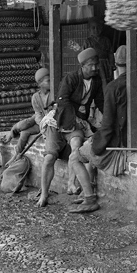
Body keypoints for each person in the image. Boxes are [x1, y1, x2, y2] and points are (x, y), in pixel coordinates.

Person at [78, 45, 137, 184]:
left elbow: (107, 126)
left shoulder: (112, 87)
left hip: (122, 143)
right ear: (135, 62)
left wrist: (97, 145)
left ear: (115, 64)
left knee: (78, 155)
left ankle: (88, 194)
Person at [40, 48, 104, 212]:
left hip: (77, 122)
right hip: (60, 119)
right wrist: (73, 119)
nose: (95, 68)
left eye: (96, 64)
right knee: (49, 157)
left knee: (77, 147)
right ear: (83, 66)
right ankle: (44, 195)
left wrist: (107, 119)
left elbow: (101, 102)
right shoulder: (71, 79)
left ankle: (72, 185)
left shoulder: (96, 81)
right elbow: (62, 101)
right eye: (92, 65)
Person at [84, 18, 114, 85]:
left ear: (101, 28)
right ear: (89, 30)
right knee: (93, 83)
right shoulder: (87, 41)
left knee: (105, 83)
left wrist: (112, 64)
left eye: (98, 27)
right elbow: (84, 56)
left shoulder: (106, 40)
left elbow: (110, 53)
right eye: (93, 28)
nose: (96, 30)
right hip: (92, 65)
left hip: (105, 65)